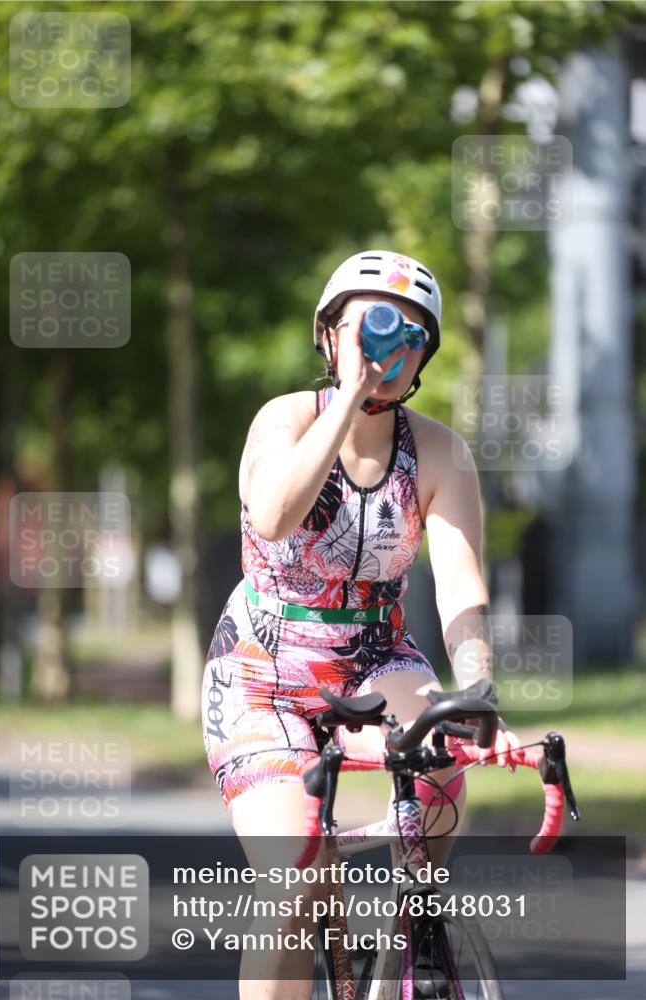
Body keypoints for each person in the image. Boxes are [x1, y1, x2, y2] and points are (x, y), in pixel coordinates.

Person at [201, 250, 521, 1000]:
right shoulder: (283, 417)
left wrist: (477, 689)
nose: (387, 348)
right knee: (293, 888)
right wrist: (347, 397)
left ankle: (414, 942)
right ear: (327, 336)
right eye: (370, 328)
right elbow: (275, 516)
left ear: (423, 361)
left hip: (374, 654)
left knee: (441, 755)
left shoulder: (440, 450)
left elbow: (461, 584)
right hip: (262, 666)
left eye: (409, 337)